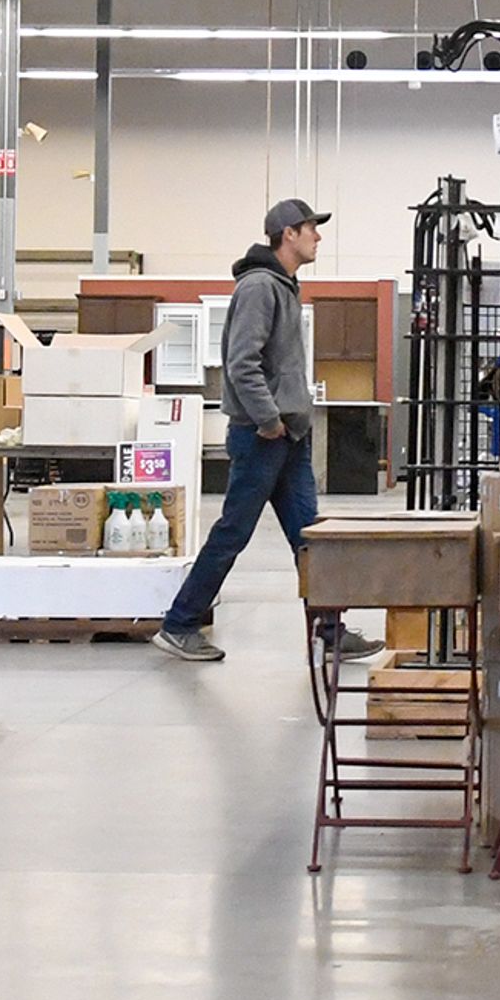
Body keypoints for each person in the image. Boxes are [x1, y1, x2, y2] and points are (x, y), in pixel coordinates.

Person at [155, 200, 378, 665]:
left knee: (310, 536)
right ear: (288, 234)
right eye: (312, 229)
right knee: (233, 532)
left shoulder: (284, 286)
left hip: (287, 437)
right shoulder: (260, 287)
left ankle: (330, 631)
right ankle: (179, 624)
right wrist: (269, 419)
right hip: (265, 438)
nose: (318, 237)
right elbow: (242, 363)